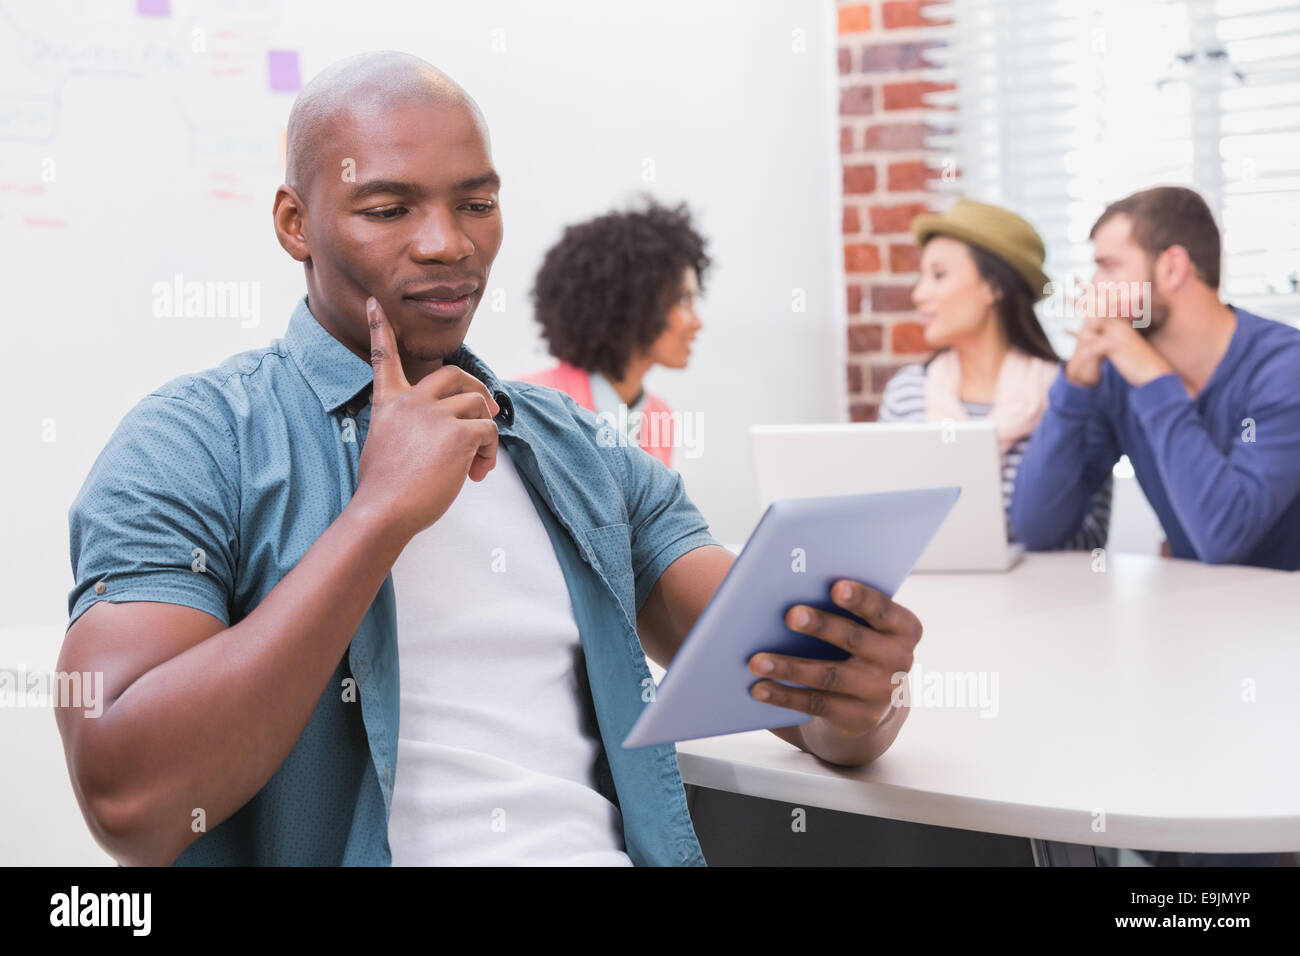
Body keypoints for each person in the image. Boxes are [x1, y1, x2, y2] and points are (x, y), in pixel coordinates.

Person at [56, 51, 926, 867]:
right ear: (296, 225)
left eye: (475, 204)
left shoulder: (574, 448)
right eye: (389, 209)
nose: (447, 244)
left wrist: (859, 707)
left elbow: (795, 692)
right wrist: (378, 516)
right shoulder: (195, 441)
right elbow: (131, 800)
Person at [1010, 185, 1300, 571]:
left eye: (1109, 266)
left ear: (1172, 268)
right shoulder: (1117, 375)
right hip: (1199, 612)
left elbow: (1226, 539)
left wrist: (1155, 379)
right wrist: (1074, 386)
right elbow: (1038, 529)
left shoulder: (1283, 366)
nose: (1094, 287)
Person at [879, 199, 1111, 550]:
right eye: (922, 276)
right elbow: (885, 527)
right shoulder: (907, 394)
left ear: (993, 288)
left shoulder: (1070, 393)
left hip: (1047, 601)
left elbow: (1090, 539)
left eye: (938, 275)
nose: (918, 294)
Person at [519, 198, 707, 468]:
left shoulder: (659, 416)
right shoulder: (530, 405)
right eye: (684, 301)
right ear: (634, 302)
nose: (698, 323)